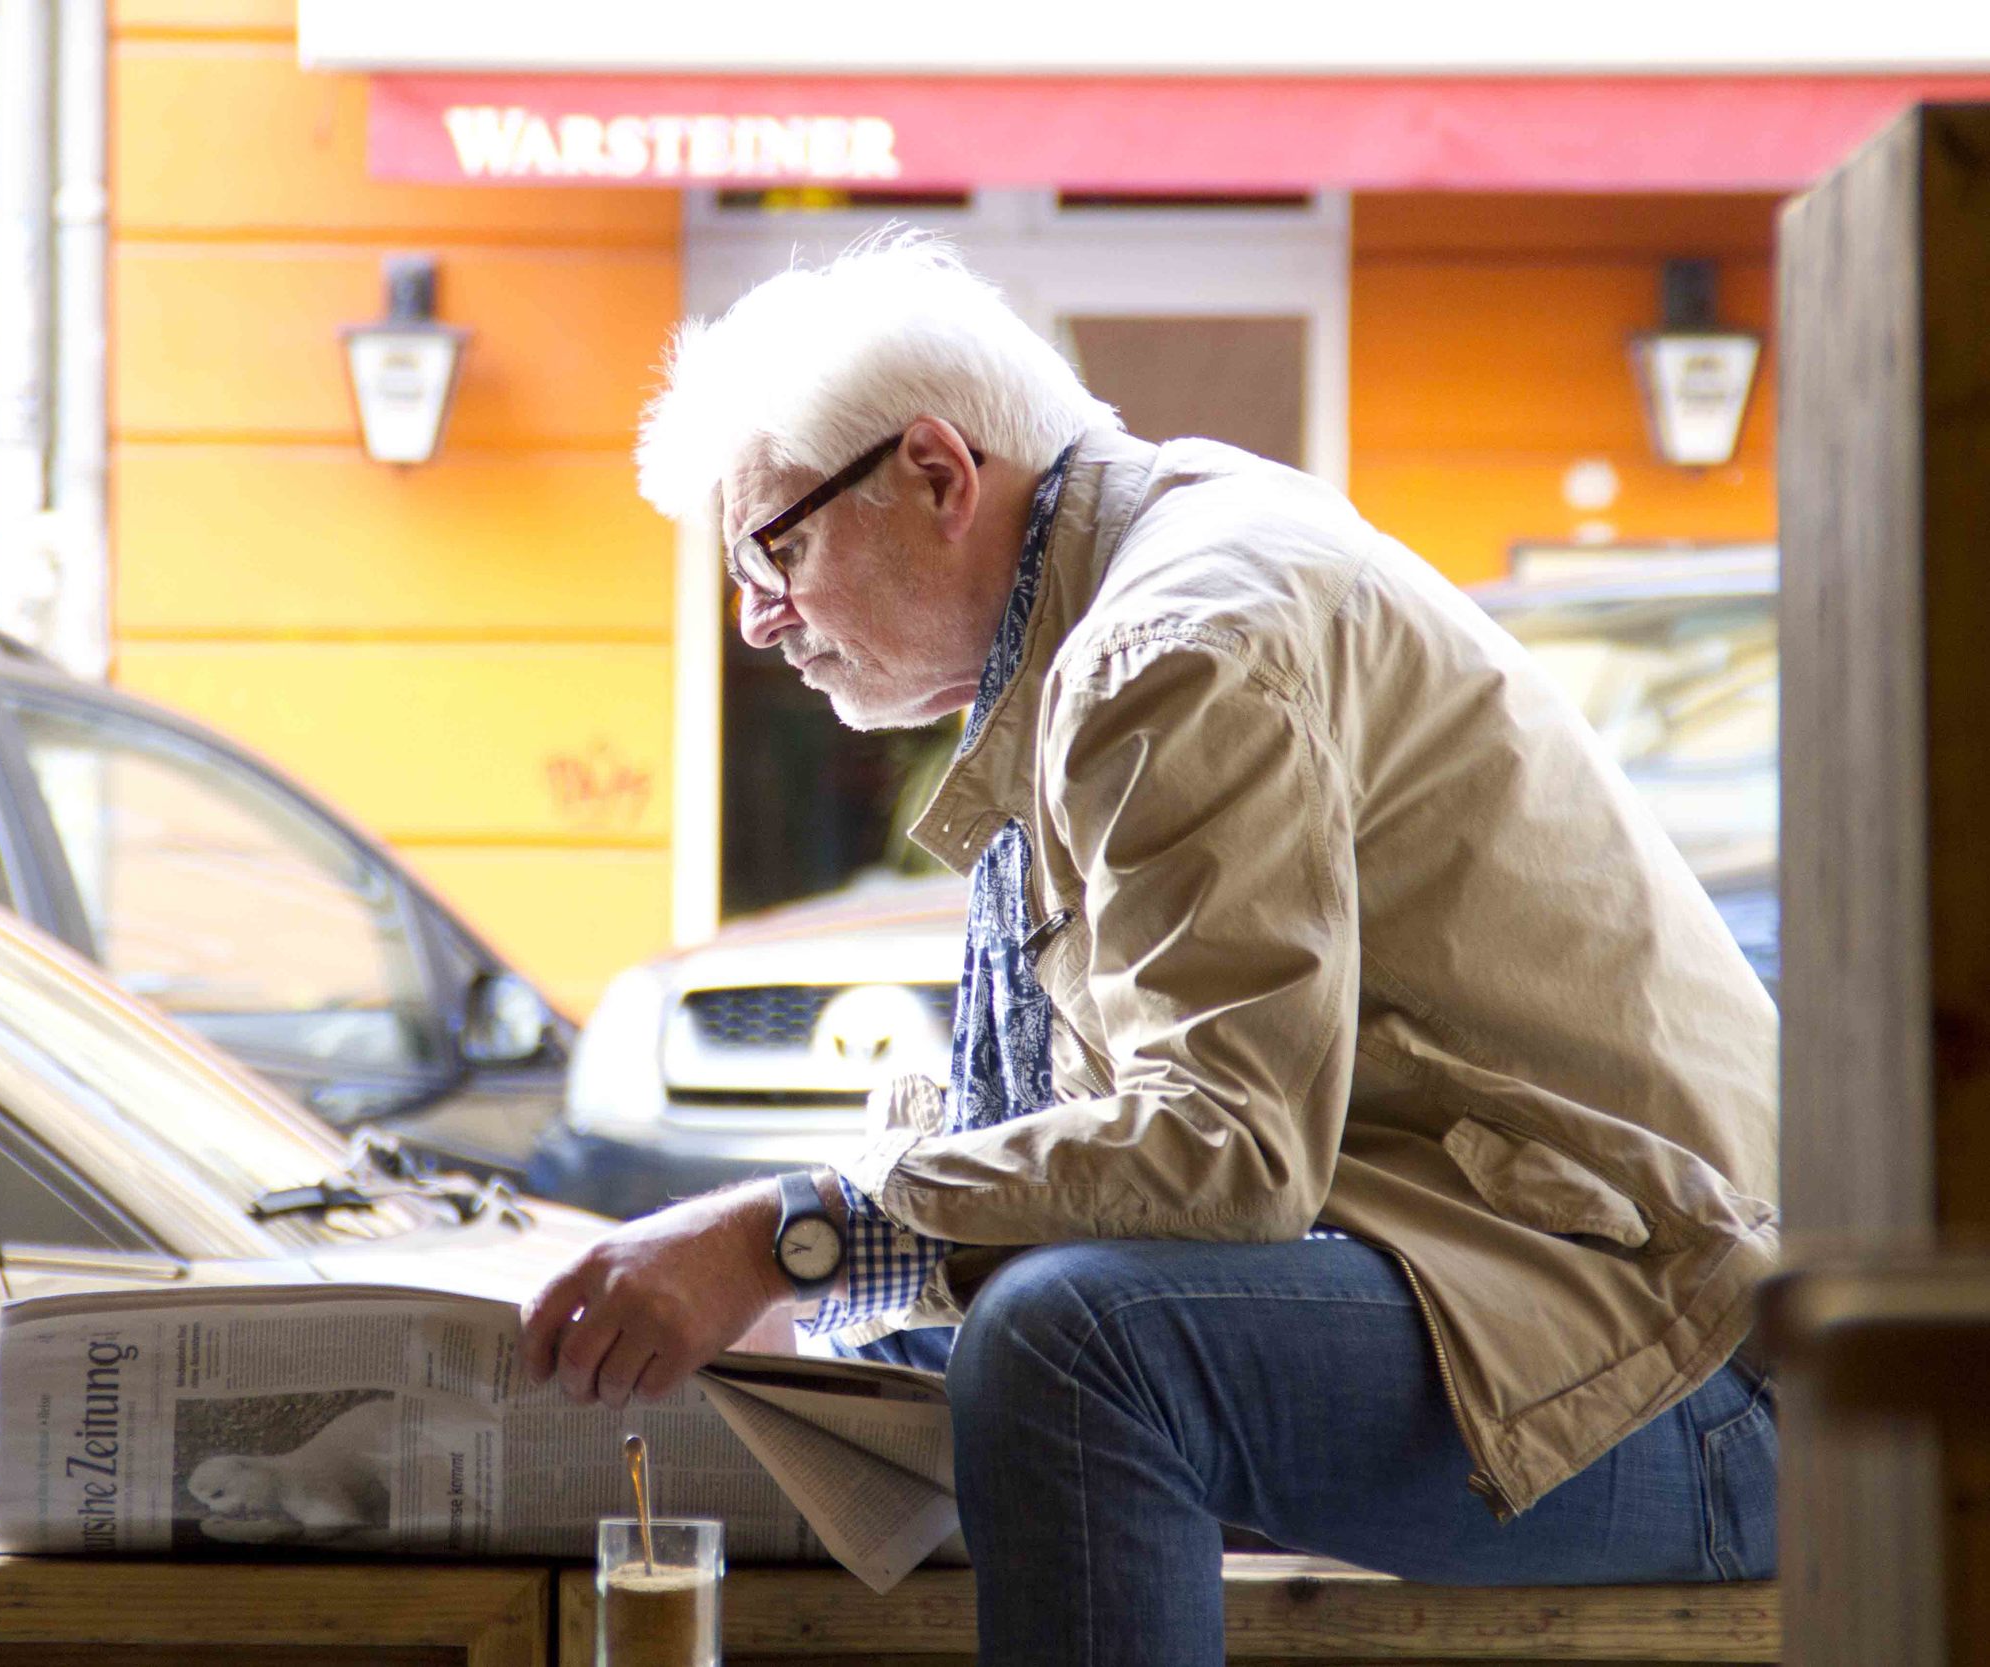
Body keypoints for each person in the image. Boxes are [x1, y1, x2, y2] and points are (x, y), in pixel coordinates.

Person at [517, 232, 1779, 1666]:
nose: (760, 623)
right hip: (1575, 1310)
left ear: (937, 475)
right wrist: (814, 1279)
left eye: (778, 549)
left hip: (1695, 1368)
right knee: (922, 1338)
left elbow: (1228, 1150)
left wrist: (787, 1233)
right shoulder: (1130, 592)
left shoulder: (1171, 643)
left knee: (1074, 1342)